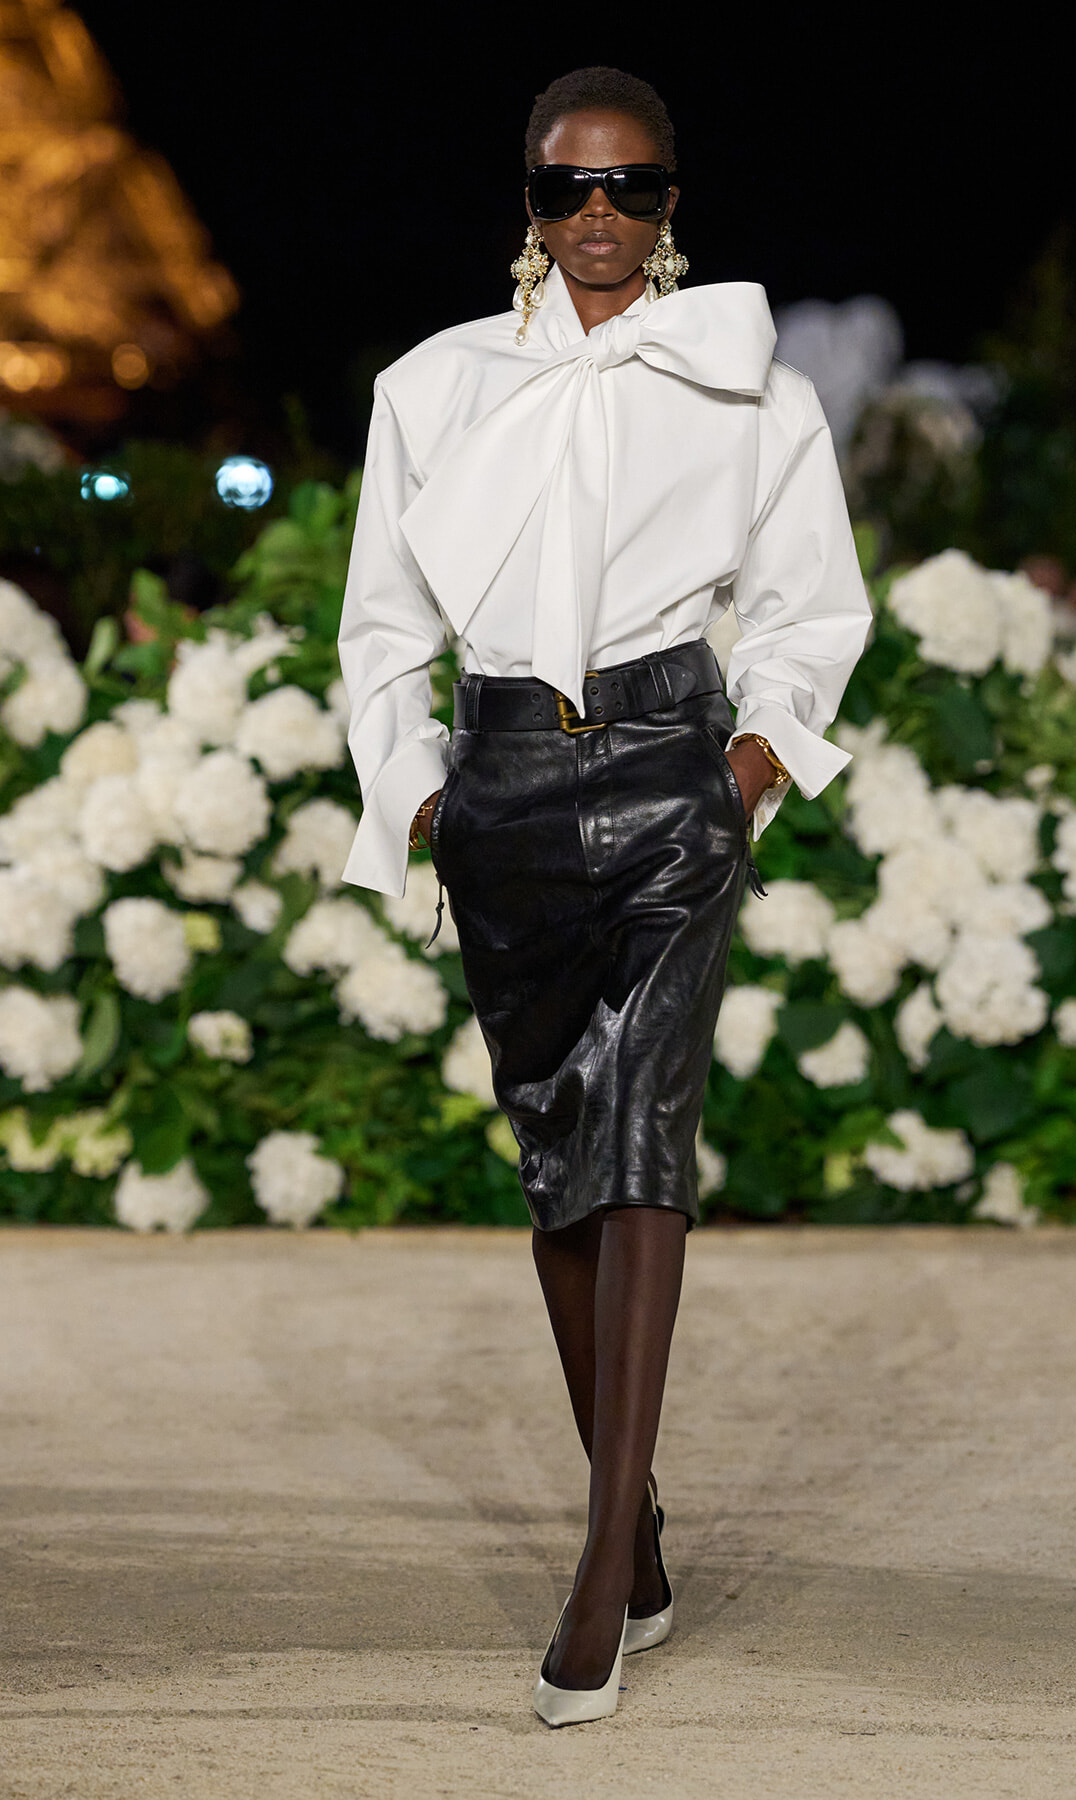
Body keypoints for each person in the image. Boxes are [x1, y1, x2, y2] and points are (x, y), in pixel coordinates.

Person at [337, 66, 872, 1727]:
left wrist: (751, 768)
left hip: (666, 783)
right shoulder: (431, 389)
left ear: (671, 203)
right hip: (497, 789)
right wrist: (423, 790)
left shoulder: (752, 387)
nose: (600, 216)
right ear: (528, 199)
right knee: (562, 1159)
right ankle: (631, 1518)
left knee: (643, 1141)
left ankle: (593, 1562)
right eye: (572, 187)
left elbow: (810, 608)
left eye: (632, 189)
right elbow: (379, 626)